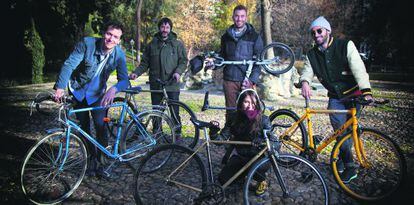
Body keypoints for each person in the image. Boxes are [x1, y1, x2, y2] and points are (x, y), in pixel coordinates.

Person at [300, 16, 373, 183]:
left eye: (319, 31)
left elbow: (359, 69)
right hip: (335, 98)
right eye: (313, 33)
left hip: (355, 95)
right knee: (340, 130)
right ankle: (349, 166)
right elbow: (307, 71)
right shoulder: (312, 54)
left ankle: (341, 158)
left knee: (350, 132)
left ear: (328, 31)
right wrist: (305, 82)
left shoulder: (345, 45)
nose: (316, 35)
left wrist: (366, 92)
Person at [53, 20, 129, 178]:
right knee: (83, 129)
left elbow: (125, 80)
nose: (111, 39)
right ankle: (90, 160)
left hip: (98, 96)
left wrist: (114, 89)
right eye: (109, 34)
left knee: (101, 128)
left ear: (119, 40)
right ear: (103, 33)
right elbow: (69, 65)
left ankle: (101, 165)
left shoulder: (119, 54)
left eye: (115, 37)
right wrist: (60, 88)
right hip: (78, 92)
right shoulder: (87, 44)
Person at [130, 17, 187, 138]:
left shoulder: (177, 45)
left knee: (174, 111)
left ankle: (177, 134)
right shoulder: (152, 45)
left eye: (167, 27)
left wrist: (178, 72)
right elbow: (145, 63)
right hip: (156, 84)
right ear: (159, 28)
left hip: (172, 84)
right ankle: (157, 134)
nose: (164, 30)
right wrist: (136, 73)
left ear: (170, 29)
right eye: (162, 27)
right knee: (157, 111)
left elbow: (183, 61)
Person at [214, 4, 264, 141]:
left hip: (246, 80)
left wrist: (252, 80)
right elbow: (222, 57)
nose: (239, 19)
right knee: (231, 110)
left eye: (242, 16)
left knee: (250, 111)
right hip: (230, 79)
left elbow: (259, 61)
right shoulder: (226, 37)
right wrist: (212, 64)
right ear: (233, 17)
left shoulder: (254, 36)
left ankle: (252, 137)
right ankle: (231, 138)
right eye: (236, 16)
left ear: (246, 17)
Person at [218, 89, 271, 196]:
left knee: (256, 168)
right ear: (240, 103)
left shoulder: (263, 120)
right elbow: (220, 140)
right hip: (241, 156)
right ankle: (243, 175)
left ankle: (262, 180)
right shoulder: (233, 118)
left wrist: (262, 140)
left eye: (253, 103)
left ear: (257, 104)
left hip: (258, 158)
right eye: (246, 102)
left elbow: (274, 142)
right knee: (223, 180)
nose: (250, 106)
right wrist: (214, 132)